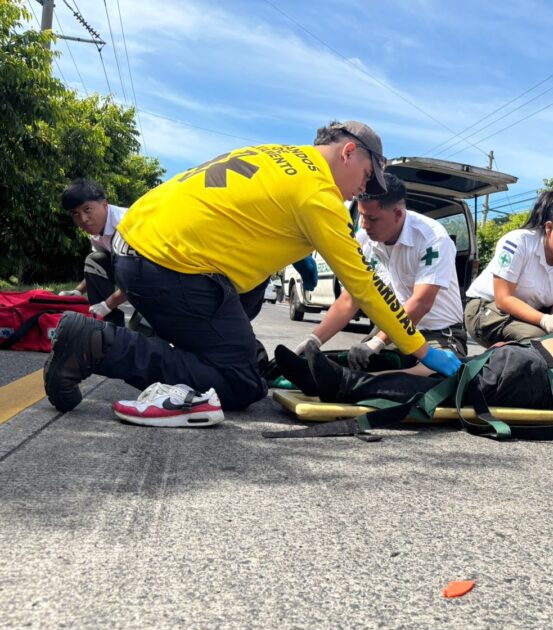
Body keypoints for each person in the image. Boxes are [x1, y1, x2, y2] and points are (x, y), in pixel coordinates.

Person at [43, 120, 462, 414]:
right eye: (367, 177)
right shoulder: (319, 194)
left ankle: (215, 351)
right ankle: (99, 344)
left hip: (134, 245)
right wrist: (422, 350)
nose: (362, 191)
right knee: (241, 384)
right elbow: (364, 286)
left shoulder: (275, 153)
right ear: (349, 153)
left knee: (250, 293)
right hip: (167, 267)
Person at [275, 324, 553, 416]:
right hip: (529, 363)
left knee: (447, 387)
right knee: (432, 372)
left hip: (537, 376)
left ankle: (343, 385)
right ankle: (321, 379)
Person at [301, 173, 467, 369]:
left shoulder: (432, 238)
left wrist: (377, 342)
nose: (364, 225)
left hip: (438, 332)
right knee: (355, 365)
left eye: (372, 218)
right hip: (394, 330)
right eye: (362, 216)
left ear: (397, 214)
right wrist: (314, 340)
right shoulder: (364, 241)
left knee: (434, 376)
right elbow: (350, 299)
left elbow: (421, 303)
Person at [464, 190, 553, 347]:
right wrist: (543, 320)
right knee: (539, 341)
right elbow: (503, 299)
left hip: (532, 312)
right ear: (549, 227)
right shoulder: (518, 243)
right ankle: (504, 356)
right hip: (488, 309)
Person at [58, 179, 129, 327]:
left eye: (87, 209)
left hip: (164, 275)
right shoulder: (96, 232)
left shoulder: (127, 224)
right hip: (130, 271)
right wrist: (78, 291)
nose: (83, 219)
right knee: (94, 259)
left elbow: (140, 278)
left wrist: (108, 305)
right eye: (75, 213)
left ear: (105, 204)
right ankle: (108, 326)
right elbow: (97, 266)